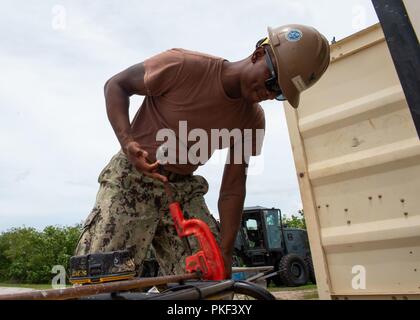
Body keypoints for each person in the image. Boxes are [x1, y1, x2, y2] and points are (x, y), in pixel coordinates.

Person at [74, 24, 330, 279]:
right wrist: (128, 143)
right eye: (273, 82)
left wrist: (226, 252)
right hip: (132, 178)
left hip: (182, 190)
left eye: (280, 94)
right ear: (259, 55)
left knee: (212, 279)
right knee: (101, 280)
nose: (268, 93)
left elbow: (233, 186)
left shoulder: (252, 120)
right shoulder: (184, 65)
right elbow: (116, 85)